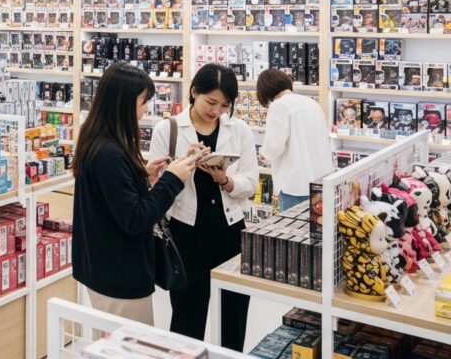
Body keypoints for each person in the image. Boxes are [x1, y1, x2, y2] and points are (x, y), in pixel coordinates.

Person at [72, 62, 204, 324]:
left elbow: (112, 198)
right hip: (119, 275)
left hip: (103, 267)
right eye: (143, 101)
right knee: (130, 343)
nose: (145, 109)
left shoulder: (97, 139)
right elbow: (135, 218)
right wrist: (172, 180)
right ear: (123, 102)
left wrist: (141, 176)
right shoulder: (110, 153)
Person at [148, 63, 257, 351]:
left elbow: (250, 182)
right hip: (186, 233)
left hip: (230, 233)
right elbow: (156, 186)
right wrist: (181, 167)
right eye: (211, 102)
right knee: (187, 316)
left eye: (225, 105)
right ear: (194, 92)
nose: (217, 110)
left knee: (233, 314)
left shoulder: (240, 131)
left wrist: (226, 180)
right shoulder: (168, 129)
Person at [256, 70, 331, 211]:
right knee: (316, 221)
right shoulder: (311, 102)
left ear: (264, 90)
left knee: (292, 223)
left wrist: (263, 154)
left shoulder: (279, 106)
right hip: (320, 178)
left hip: (295, 183)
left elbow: (274, 147)